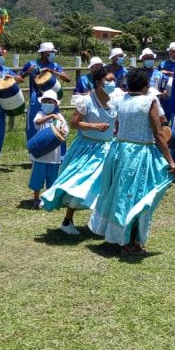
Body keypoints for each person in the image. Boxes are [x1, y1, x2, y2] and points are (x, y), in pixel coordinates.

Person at [89, 68, 175, 256]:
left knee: (119, 195)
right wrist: (170, 159)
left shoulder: (120, 100)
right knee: (137, 197)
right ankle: (129, 242)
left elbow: (118, 126)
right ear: (146, 85)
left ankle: (122, 237)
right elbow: (159, 133)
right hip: (139, 152)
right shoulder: (148, 101)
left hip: (119, 151)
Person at [41, 66, 119, 234]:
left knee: (106, 185)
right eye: (109, 80)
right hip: (88, 148)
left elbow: (116, 123)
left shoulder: (114, 100)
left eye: (114, 79)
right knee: (80, 182)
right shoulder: (86, 101)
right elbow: (74, 123)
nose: (113, 82)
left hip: (107, 147)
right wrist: (94, 126)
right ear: (99, 83)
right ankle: (67, 220)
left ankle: (102, 222)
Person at [20, 41, 72, 140]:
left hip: (52, 102)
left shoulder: (55, 65)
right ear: (44, 53)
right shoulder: (31, 64)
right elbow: (19, 78)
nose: (53, 54)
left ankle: (57, 151)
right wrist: (27, 72)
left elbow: (68, 79)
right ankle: (34, 150)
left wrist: (54, 72)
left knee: (55, 125)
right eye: (51, 52)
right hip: (36, 101)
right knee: (34, 126)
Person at [28, 90, 68, 208]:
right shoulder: (40, 113)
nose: (47, 104)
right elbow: (37, 122)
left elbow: (65, 132)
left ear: (55, 104)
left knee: (52, 177)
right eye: (45, 101)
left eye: (50, 102)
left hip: (54, 154)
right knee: (38, 177)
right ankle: (36, 198)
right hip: (41, 154)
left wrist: (61, 130)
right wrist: (50, 116)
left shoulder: (59, 117)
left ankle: (49, 198)